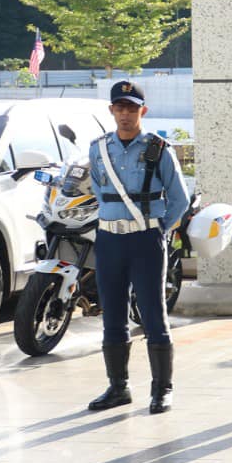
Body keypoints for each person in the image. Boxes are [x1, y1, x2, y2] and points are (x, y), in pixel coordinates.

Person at [85, 80, 191, 414]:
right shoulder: (99, 148)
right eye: (120, 107)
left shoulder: (157, 148)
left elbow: (179, 199)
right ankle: (118, 388)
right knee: (112, 313)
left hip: (146, 239)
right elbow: (101, 193)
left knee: (152, 313)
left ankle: (163, 389)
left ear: (142, 111)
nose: (126, 114)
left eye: (132, 108)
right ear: (112, 110)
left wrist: (159, 229)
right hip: (109, 238)